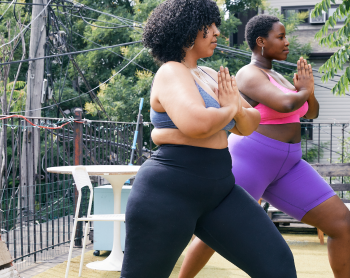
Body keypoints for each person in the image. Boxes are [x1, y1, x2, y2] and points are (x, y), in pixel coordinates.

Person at [120, 2, 298, 278]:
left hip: (220, 189)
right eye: (209, 26)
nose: (217, 32)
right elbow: (197, 124)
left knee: (278, 266)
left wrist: (234, 111)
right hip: (169, 191)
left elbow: (251, 124)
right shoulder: (170, 71)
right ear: (187, 29)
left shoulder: (211, 75)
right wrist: (229, 110)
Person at [178, 14, 350, 278]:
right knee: (214, 232)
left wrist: (309, 92)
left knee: (341, 222)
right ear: (261, 41)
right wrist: (303, 92)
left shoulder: (279, 77)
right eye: (280, 37)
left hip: (290, 165)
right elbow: (284, 105)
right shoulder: (248, 74)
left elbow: (310, 113)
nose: (287, 42)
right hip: (253, 161)